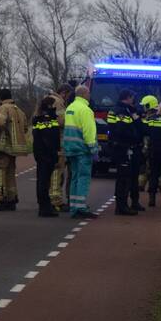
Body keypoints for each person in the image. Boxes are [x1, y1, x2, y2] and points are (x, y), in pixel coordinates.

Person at [0, 88, 29, 211]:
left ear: (1, 98)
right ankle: (12, 199)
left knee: (0, 171)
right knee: (10, 173)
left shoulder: (3, 108)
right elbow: (25, 128)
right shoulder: (19, 110)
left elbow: (0, 123)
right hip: (15, 147)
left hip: (4, 146)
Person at [63, 84, 99, 219]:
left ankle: (74, 206)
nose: (90, 96)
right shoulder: (86, 110)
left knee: (74, 178)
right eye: (89, 93)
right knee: (83, 178)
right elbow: (89, 131)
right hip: (82, 149)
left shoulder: (70, 108)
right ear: (85, 94)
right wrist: (93, 149)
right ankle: (81, 207)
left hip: (70, 148)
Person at [107, 89, 145, 215]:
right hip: (123, 148)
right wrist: (134, 137)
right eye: (132, 98)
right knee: (123, 178)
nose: (133, 100)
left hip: (126, 147)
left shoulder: (126, 110)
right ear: (128, 97)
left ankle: (129, 204)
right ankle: (121, 206)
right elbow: (123, 130)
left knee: (130, 176)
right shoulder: (121, 111)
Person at [44, 84, 73, 212]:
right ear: (64, 93)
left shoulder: (46, 100)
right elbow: (62, 121)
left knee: (48, 171)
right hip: (58, 142)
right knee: (57, 171)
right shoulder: (59, 102)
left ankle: (49, 198)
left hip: (46, 141)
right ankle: (56, 200)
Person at [32, 96, 61, 217]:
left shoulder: (38, 118)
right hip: (47, 155)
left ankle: (43, 205)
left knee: (41, 180)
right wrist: (54, 154)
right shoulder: (49, 119)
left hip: (40, 154)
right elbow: (52, 138)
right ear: (50, 106)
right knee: (44, 181)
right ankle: (45, 208)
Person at [138, 95, 159, 191]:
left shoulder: (149, 118)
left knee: (144, 167)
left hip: (148, 146)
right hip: (155, 146)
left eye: (144, 105)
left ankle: (141, 185)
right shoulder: (158, 117)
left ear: (148, 105)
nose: (143, 107)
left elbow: (144, 131)